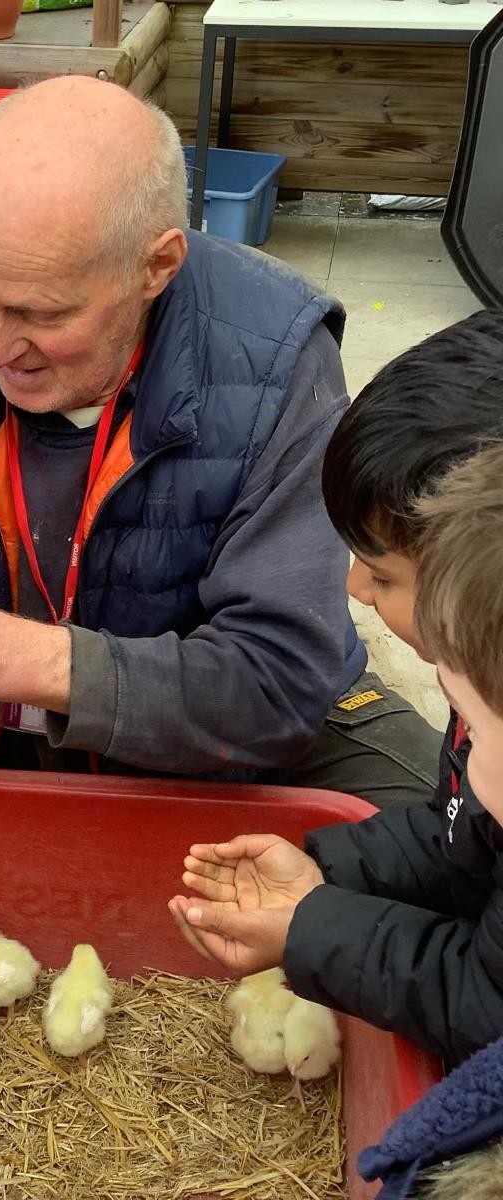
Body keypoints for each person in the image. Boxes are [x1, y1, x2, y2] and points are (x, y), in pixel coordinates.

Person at [0, 75, 441, 807]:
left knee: (466, 838)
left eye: (40, 313)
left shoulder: (277, 364)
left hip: (243, 742)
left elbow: (277, 684)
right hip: (9, 718)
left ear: (158, 266)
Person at [167, 313, 503, 1071]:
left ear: (474, 579)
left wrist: (310, 931)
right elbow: (462, 837)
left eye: (381, 575)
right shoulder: (485, 687)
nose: (351, 589)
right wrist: (330, 871)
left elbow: (486, 1005)